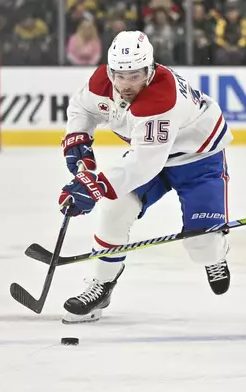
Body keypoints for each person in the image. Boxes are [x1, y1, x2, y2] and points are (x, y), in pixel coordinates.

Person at [59, 30, 233, 324]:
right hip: (151, 154)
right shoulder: (103, 81)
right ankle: (101, 285)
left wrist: (94, 186)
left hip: (198, 159)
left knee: (200, 246)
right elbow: (82, 108)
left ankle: (216, 252)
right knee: (114, 208)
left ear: (150, 70)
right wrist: (77, 139)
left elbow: (144, 164)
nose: (126, 85)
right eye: (120, 75)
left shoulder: (161, 98)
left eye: (135, 76)